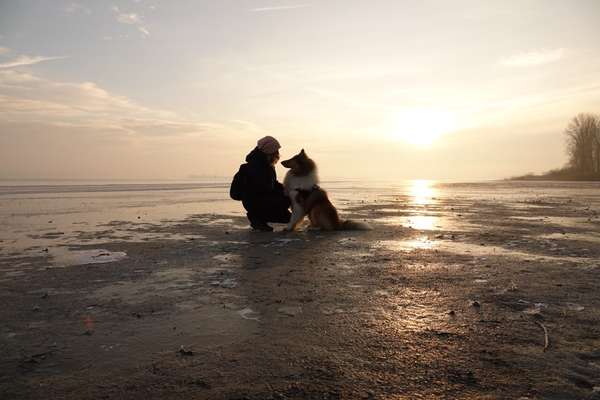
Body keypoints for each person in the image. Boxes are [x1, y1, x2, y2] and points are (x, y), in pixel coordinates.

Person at [234, 136, 291, 231]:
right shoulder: (255, 167)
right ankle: (256, 218)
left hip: (260, 200)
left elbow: (273, 183)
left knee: (287, 216)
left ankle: (259, 217)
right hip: (254, 202)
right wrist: (283, 195)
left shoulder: (267, 164)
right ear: (269, 151)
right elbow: (262, 189)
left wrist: (287, 189)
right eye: (275, 151)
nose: (278, 154)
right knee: (285, 200)